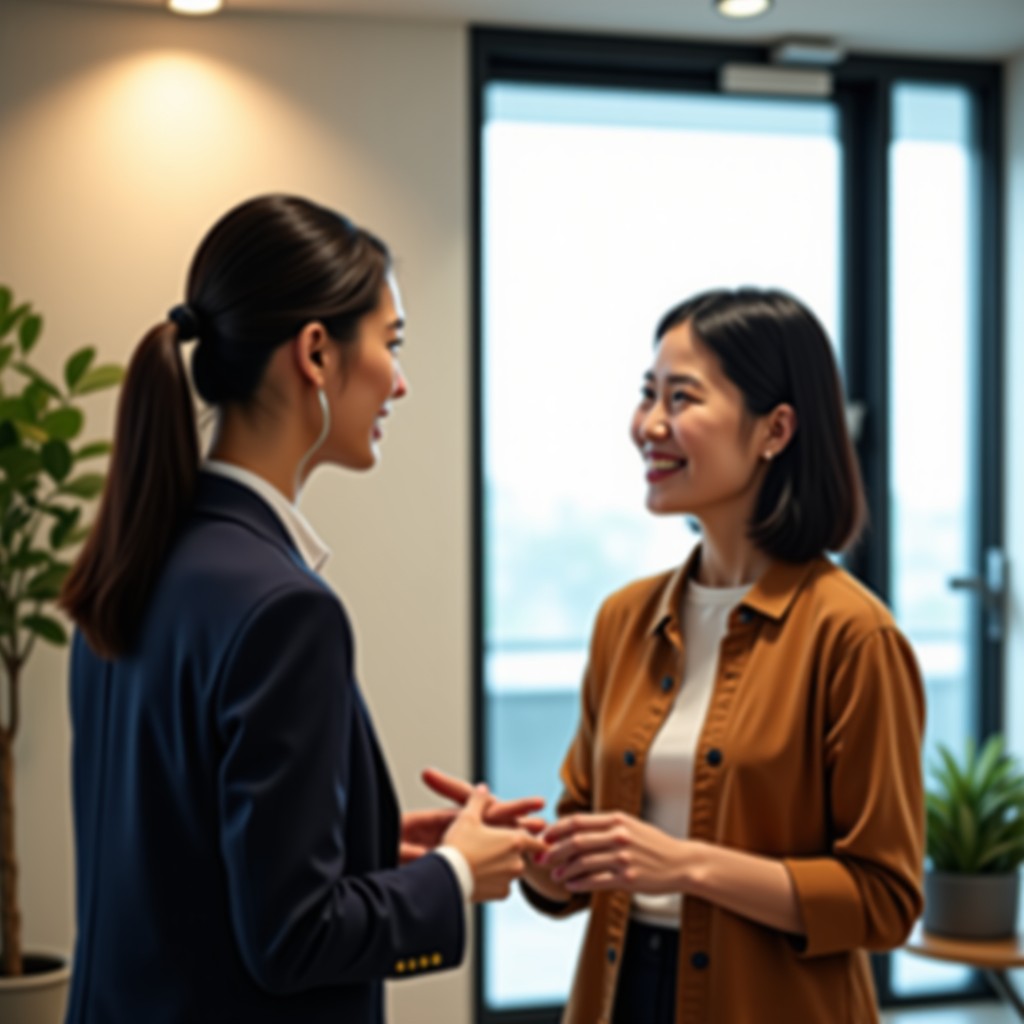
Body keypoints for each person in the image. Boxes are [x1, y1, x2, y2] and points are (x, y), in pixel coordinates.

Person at [59, 194, 543, 1024]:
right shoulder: (285, 610)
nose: (400, 380)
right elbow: (292, 940)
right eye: (391, 345)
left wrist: (363, 857)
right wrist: (454, 876)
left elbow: (172, 863)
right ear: (316, 353)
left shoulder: (133, 566)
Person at [429, 287, 925, 1023]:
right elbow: (589, 858)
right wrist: (528, 850)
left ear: (775, 430)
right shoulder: (624, 619)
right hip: (618, 995)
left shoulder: (853, 637)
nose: (648, 426)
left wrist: (683, 864)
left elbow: (883, 903)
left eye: (682, 399)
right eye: (647, 394)